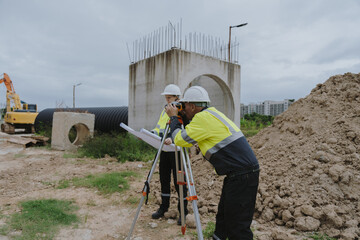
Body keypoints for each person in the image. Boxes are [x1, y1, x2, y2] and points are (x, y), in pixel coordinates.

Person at [165, 86, 260, 240]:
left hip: (242, 175)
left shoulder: (202, 120)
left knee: (238, 227)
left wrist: (174, 118)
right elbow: (191, 137)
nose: (183, 109)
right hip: (239, 174)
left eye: (185, 106)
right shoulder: (211, 114)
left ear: (192, 106)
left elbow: (179, 139)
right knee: (223, 218)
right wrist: (182, 116)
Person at [151, 84, 188, 225]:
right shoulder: (165, 110)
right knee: (164, 179)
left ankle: (183, 212)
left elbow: (184, 130)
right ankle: (163, 208)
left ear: (177, 98)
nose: (167, 100)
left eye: (169, 97)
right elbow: (159, 127)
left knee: (180, 182)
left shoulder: (182, 111)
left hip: (177, 151)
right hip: (164, 149)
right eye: (166, 97)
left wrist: (172, 139)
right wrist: (151, 133)